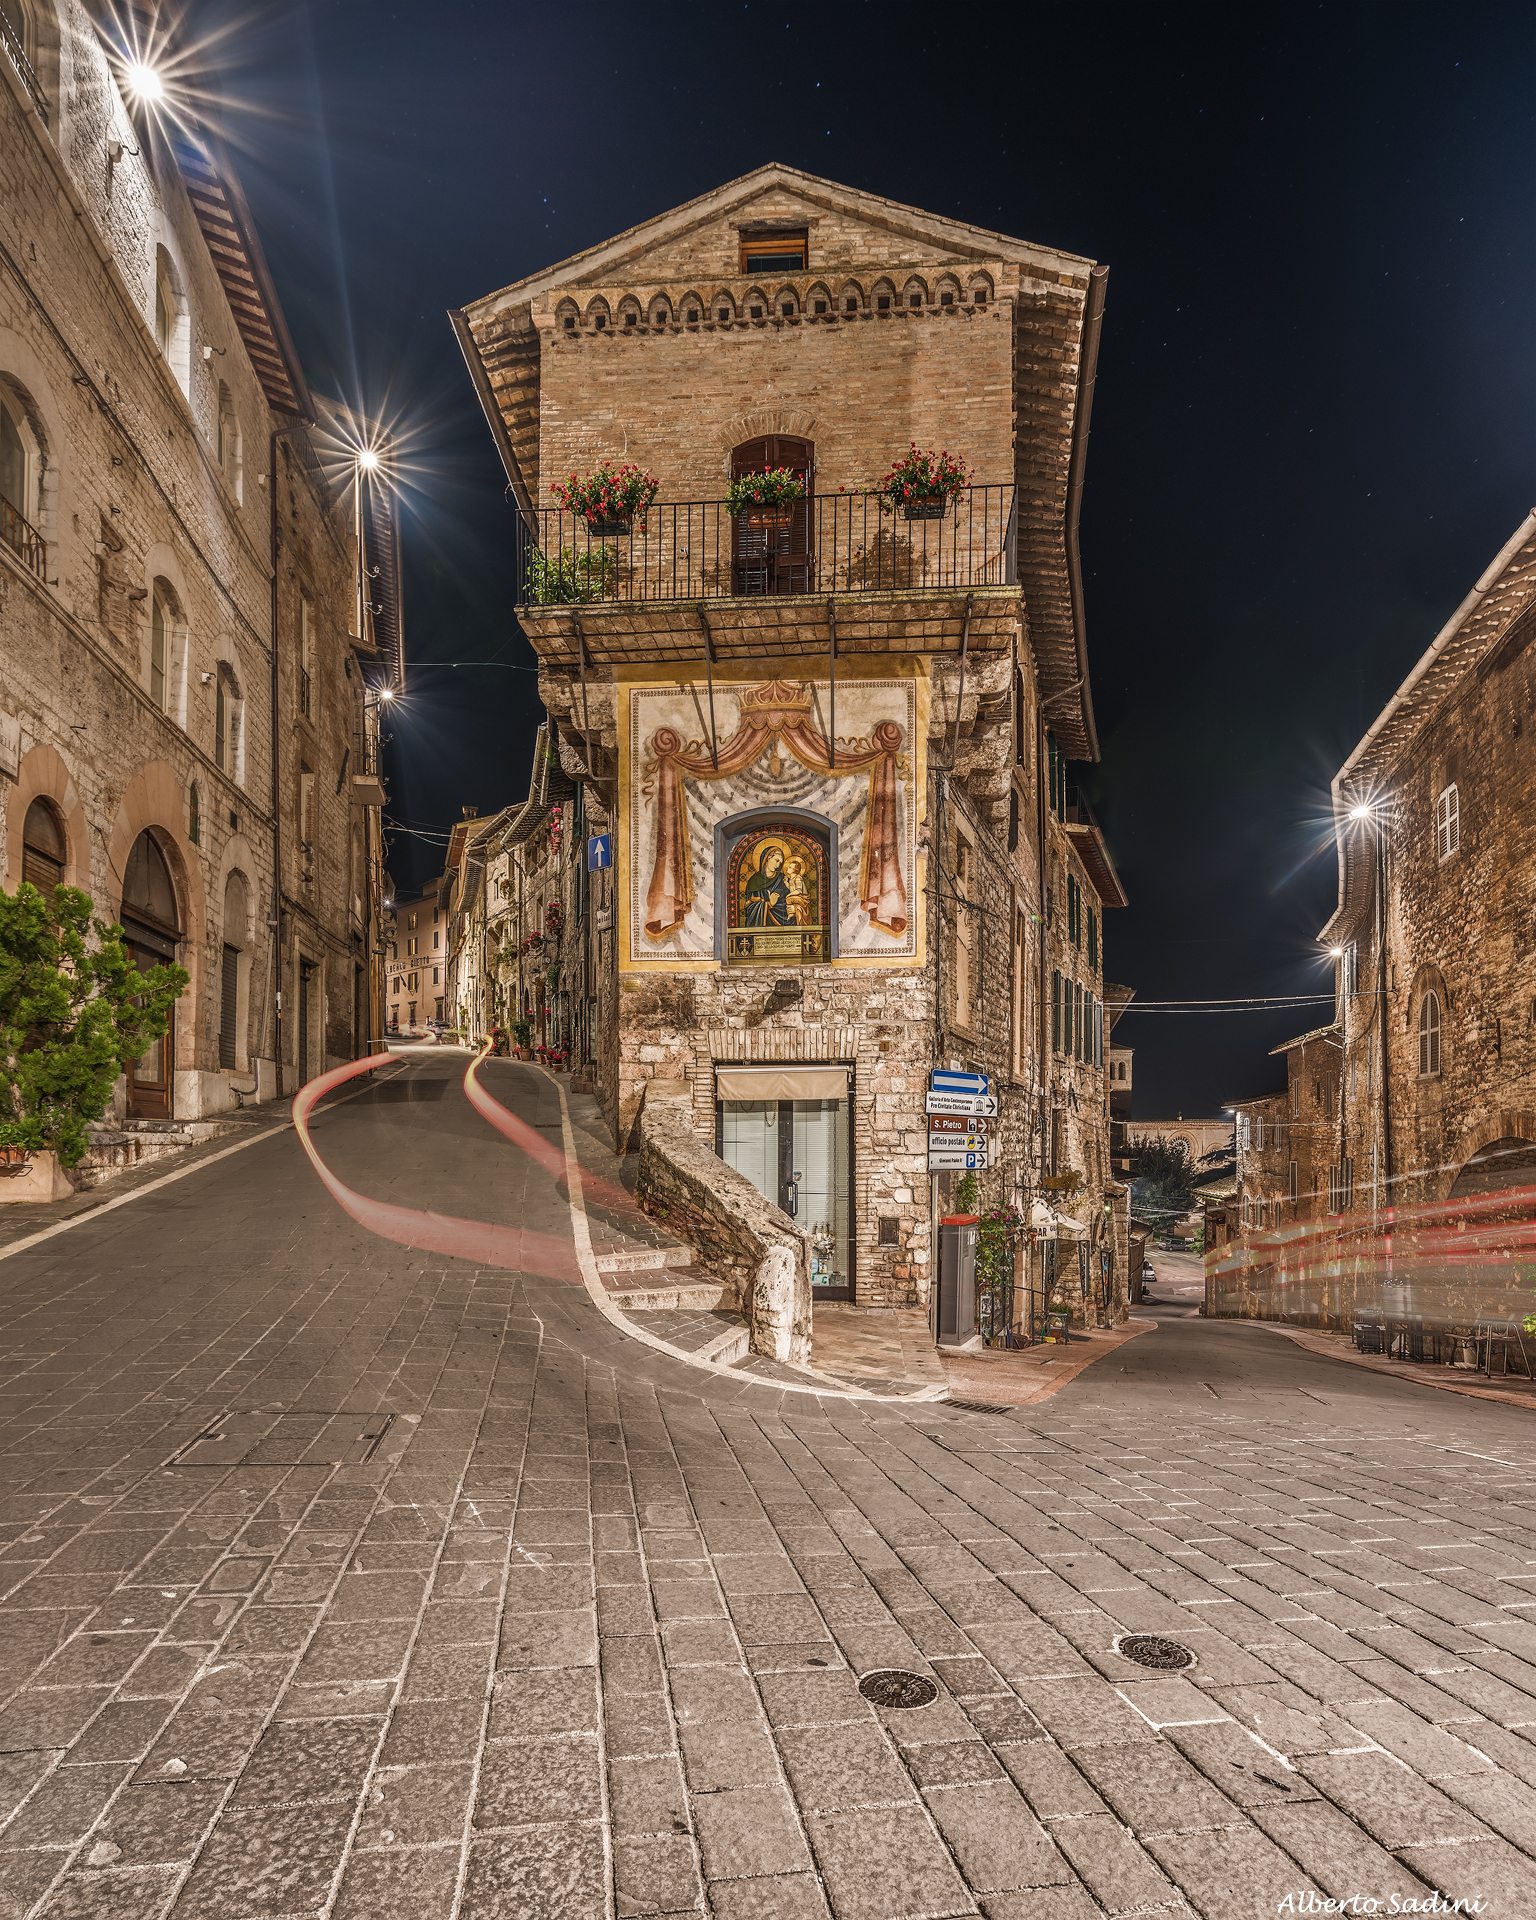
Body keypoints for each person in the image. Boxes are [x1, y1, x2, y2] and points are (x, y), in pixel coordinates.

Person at [741, 843, 791, 926]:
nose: (778, 865)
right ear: (768, 858)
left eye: (780, 863)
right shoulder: (754, 881)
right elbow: (749, 908)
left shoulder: (783, 879)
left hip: (783, 922)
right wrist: (769, 904)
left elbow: (789, 900)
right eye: (776, 860)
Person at [783, 856, 812, 926]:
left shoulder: (798, 878)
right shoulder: (791, 879)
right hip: (796, 897)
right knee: (788, 900)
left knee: (788, 898)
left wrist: (789, 894)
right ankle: (790, 914)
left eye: (790, 867)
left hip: (802, 898)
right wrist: (786, 883)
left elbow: (799, 891)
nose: (787, 868)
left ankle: (792, 912)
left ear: (794, 870)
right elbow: (791, 889)